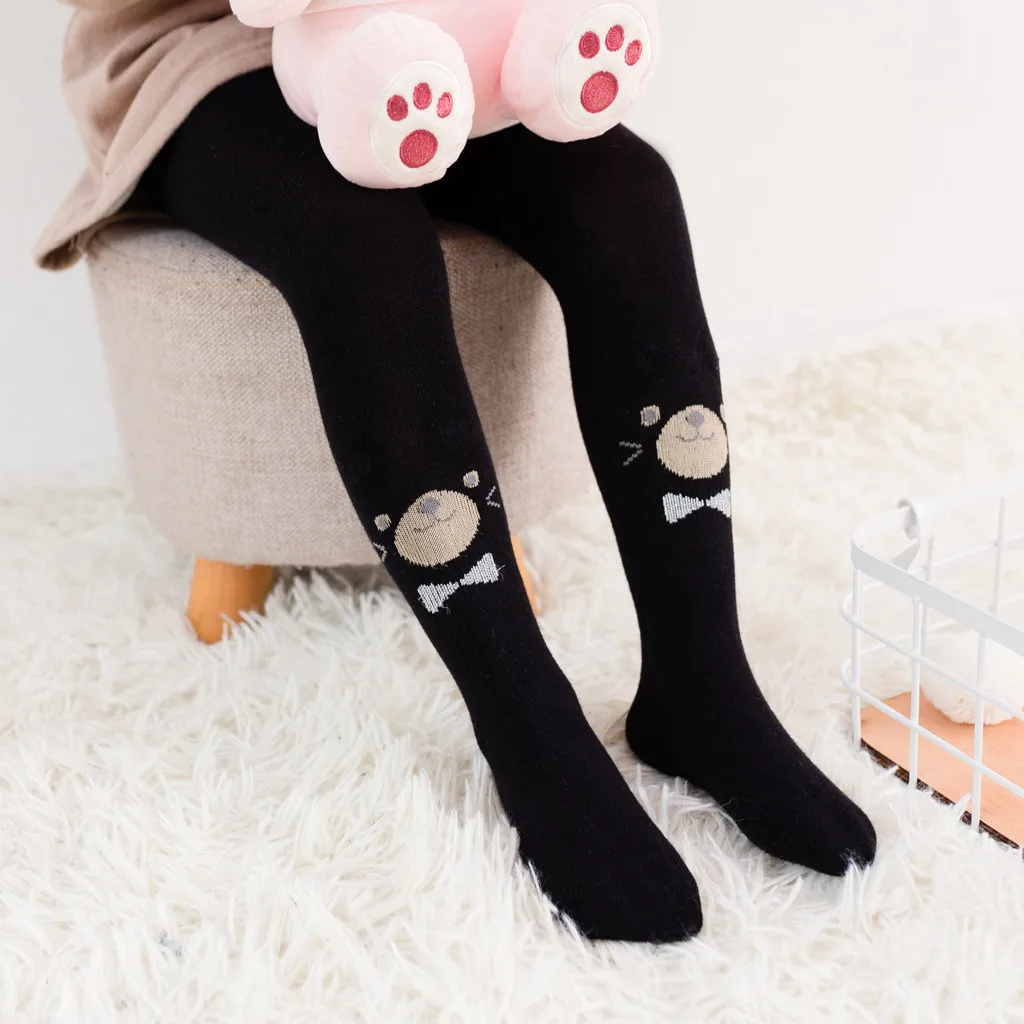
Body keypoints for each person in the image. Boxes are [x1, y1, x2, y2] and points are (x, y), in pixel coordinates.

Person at [38, 0, 875, 943]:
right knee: (362, 240)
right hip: (200, 50)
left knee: (626, 188)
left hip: (442, 32)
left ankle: (703, 686)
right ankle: (532, 731)